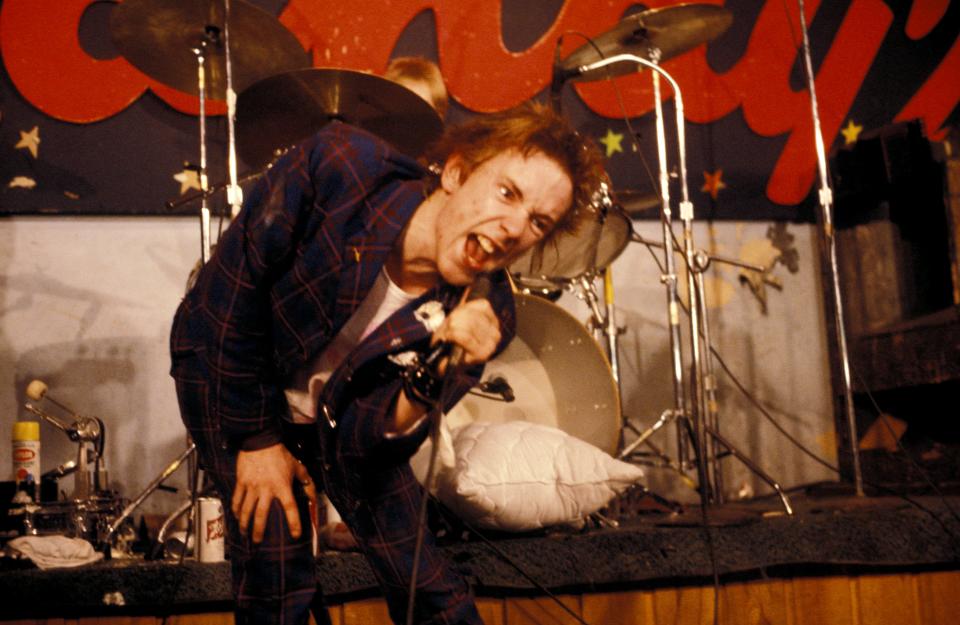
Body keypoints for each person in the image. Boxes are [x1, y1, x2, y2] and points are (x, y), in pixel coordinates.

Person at [169, 101, 605, 625]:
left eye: (538, 221)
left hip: (337, 415)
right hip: (232, 371)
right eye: (507, 193)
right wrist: (257, 442)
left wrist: (439, 372)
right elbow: (227, 301)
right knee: (276, 565)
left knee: (428, 584)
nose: (515, 227)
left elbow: (365, 444)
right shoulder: (340, 166)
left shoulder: (487, 310)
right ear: (456, 171)